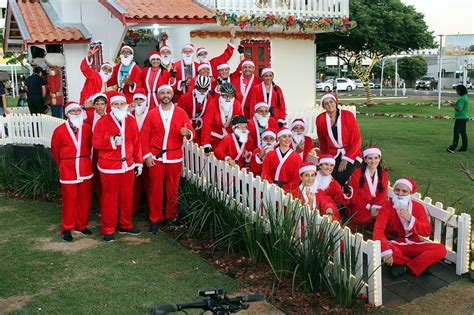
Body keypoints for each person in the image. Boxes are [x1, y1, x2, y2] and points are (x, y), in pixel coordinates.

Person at [141, 85, 194, 233]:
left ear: (172, 95)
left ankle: (172, 216)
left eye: (168, 92)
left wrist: (187, 132)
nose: (165, 95)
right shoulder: (152, 113)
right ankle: (154, 219)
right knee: (155, 189)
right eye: (163, 93)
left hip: (174, 157)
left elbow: (191, 132)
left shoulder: (181, 113)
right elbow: (144, 136)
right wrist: (147, 155)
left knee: (173, 189)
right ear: (159, 95)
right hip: (156, 156)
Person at [92, 91, 143, 242]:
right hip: (109, 167)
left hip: (127, 165)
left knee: (127, 197)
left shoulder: (131, 120)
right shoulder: (103, 121)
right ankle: (108, 229)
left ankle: (126, 225)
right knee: (110, 199)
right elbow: (95, 143)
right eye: (116, 104)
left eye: (122, 104)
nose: (119, 106)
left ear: (125, 105)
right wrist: (111, 142)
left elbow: (136, 143)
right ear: (111, 106)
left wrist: (138, 162)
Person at [373, 178, 447, 277]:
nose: (400, 193)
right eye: (397, 190)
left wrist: (411, 219)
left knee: (441, 249)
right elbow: (378, 232)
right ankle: (420, 265)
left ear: (410, 193)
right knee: (382, 250)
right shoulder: (387, 206)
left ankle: (405, 267)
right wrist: (387, 250)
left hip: (413, 244)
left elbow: (427, 231)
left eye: (404, 191)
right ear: (394, 191)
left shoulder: (418, 207)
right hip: (395, 245)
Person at [51, 101, 93, 242]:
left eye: (77, 111)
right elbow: (55, 151)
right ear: (67, 114)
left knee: (84, 199)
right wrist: (63, 164)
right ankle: (67, 228)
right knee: (69, 200)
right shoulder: (59, 130)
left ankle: (81, 225)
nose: (76, 113)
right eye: (72, 111)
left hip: (84, 167)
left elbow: (90, 147)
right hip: (68, 168)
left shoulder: (87, 128)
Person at [316, 92, 361, 186]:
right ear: (323, 106)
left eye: (331, 101)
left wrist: (346, 159)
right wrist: (324, 158)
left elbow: (356, 140)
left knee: (341, 175)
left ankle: (343, 194)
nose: (329, 105)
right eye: (326, 103)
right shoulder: (320, 119)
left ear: (336, 102)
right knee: (329, 174)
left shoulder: (348, 116)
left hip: (351, 152)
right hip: (333, 153)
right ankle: (333, 194)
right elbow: (322, 141)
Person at [346, 147, 388, 231]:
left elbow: (383, 194)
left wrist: (375, 207)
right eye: (370, 158)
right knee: (364, 217)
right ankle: (362, 228)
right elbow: (354, 194)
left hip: (377, 203)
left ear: (379, 159)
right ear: (365, 160)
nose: (373, 161)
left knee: (384, 215)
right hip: (360, 203)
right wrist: (369, 207)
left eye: (376, 158)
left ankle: (375, 230)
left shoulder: (383, 174)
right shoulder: (357, 173)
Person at [201, 83, 243, 152]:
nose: (228, 98)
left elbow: (241, 123)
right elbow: (207, 125)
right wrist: (206, 143)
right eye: (225, 96)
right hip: (214, 136)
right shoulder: (212, 104)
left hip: (229, 136)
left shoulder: (237, 104)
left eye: (230, 96)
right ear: (221, 95)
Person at [262, 128, 302, 193]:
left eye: (289, 136)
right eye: (284, 137)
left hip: (289, 191)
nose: (287, 139)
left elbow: (297, 178)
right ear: (278, 139)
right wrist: (273, 187)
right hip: (271, 189)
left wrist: (285, 189)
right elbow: (265, 173)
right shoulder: (270, 155)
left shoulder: (297, 157)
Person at [178, 75, 213, 146]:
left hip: (201, 128)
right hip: (187, 126)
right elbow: (179, 116)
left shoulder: (209, 98)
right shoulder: (184, 98)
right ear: (195, 86)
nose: (202, 92)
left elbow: (209, 115)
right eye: (200, 89)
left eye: (205, 89)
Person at [447, 84, 469, 153]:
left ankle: (453, 148)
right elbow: (459, 105)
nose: (456, 92)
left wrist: (453, 105)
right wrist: (454, 103)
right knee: (463, 133)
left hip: (461, 118)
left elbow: (459, 109)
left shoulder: (462, 99)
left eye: (457, 91)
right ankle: (464, 148)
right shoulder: (465, 97)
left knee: (456, 132)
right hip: (464, 117)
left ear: (460, 91)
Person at [45, 52, 65, 118]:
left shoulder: (53, 72)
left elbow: (53, 86)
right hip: (59, 97)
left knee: (56, 116)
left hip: (55, 98)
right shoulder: (59, 70)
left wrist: (53, 97)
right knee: (59, 115)